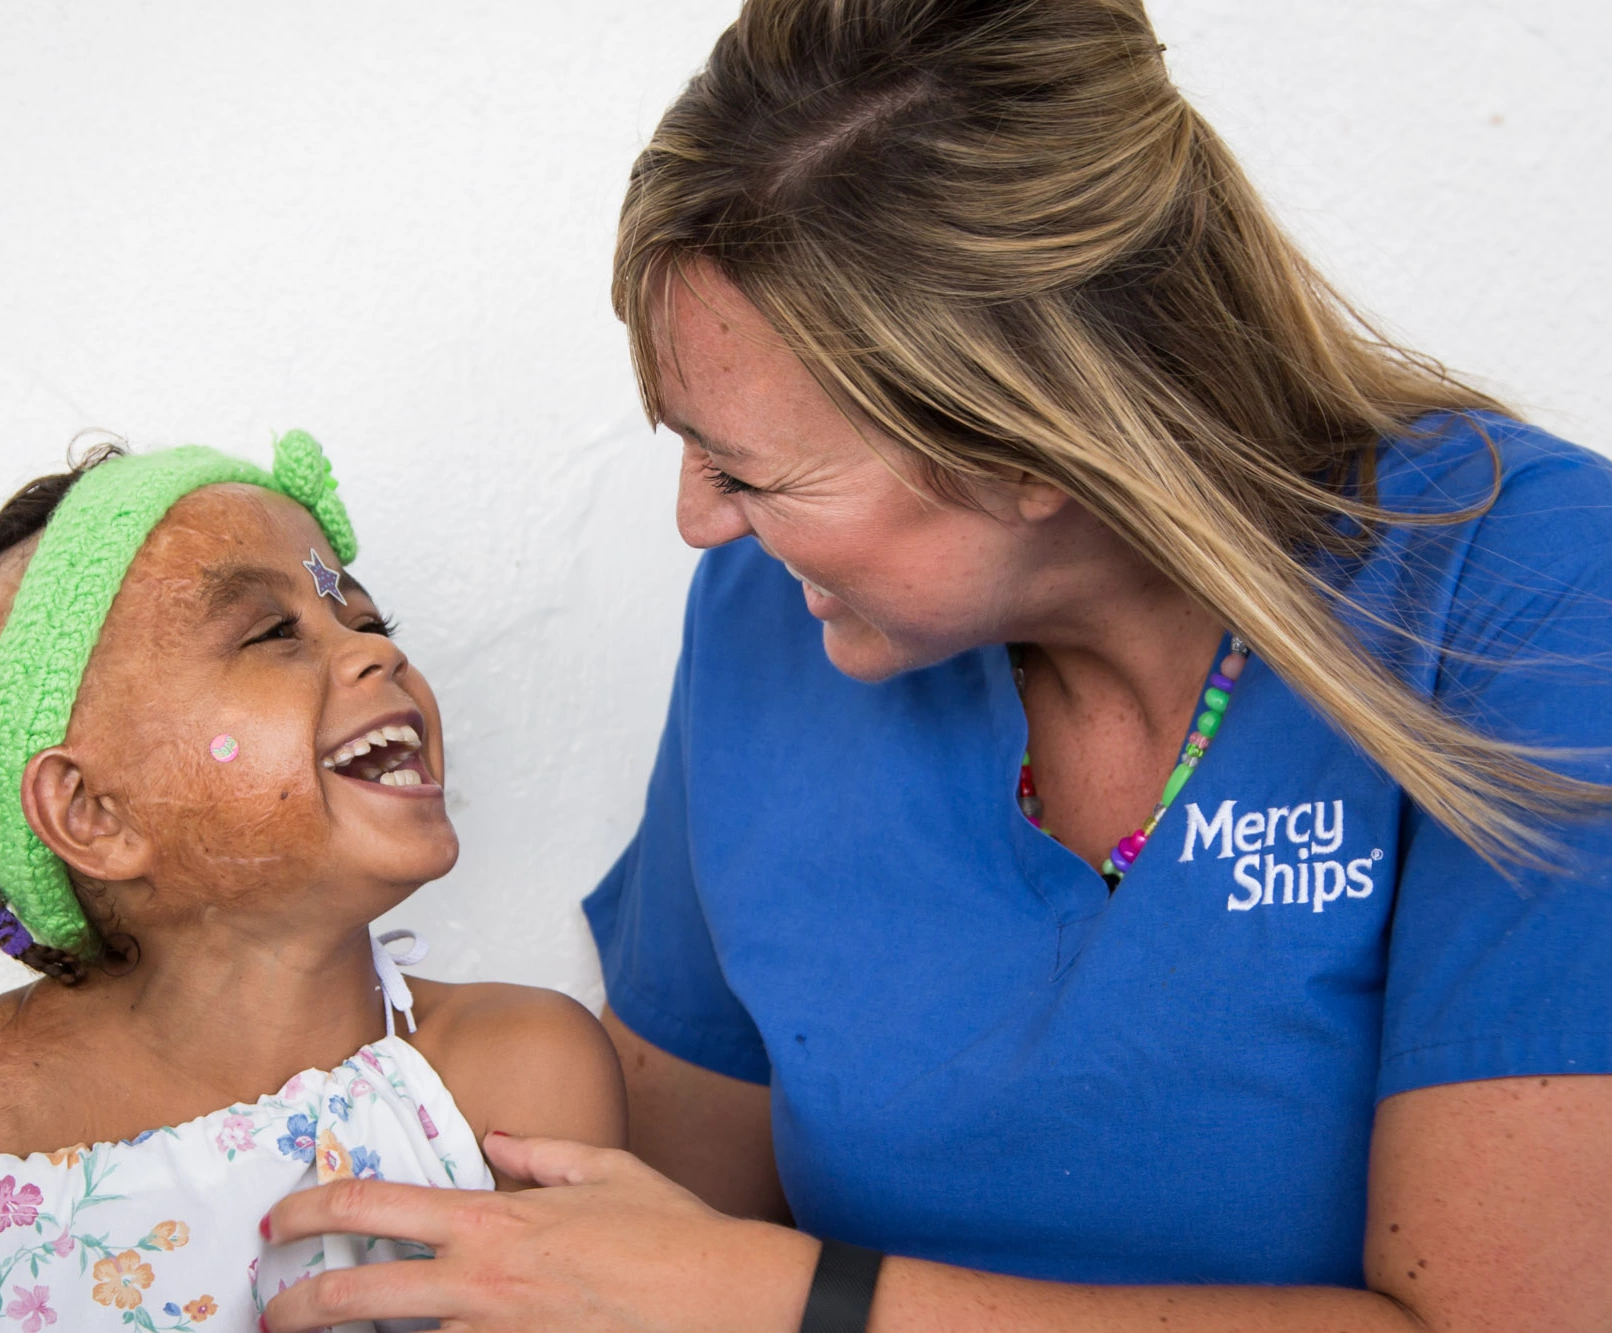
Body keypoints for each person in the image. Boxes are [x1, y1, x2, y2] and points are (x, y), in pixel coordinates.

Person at [252, 2, 1612, 1330]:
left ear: (1033, 442)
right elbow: (641, 1228)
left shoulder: (1535, 594)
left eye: (751, 469)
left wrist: (798, 1301)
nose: (697, 517)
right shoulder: (765, 617)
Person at [0, 432, 623, 1333]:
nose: (373, 655)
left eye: (366, 622)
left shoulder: (520, 1073)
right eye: (275, 632)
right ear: (92, 814)